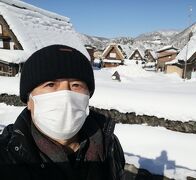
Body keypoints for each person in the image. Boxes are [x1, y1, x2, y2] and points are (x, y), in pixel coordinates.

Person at [0, 44, 125, 180]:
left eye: (76, 85)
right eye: (50, 84)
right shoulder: (7, 157)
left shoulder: (108, 144)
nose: (65, 95)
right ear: (29, 100)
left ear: (88, 96)